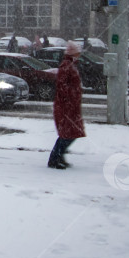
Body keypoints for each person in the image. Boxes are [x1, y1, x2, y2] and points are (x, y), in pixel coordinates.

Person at [48, 40, 86, 169]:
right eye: (78, 53)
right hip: (66, 106)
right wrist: (72, 96)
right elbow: (62, 85)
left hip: (70, 105)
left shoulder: (70, 65)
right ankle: (55, 158)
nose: (79, 55)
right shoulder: (67, 65)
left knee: (70, 133)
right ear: (74, 53)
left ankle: (58, 157)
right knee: (67, 134)